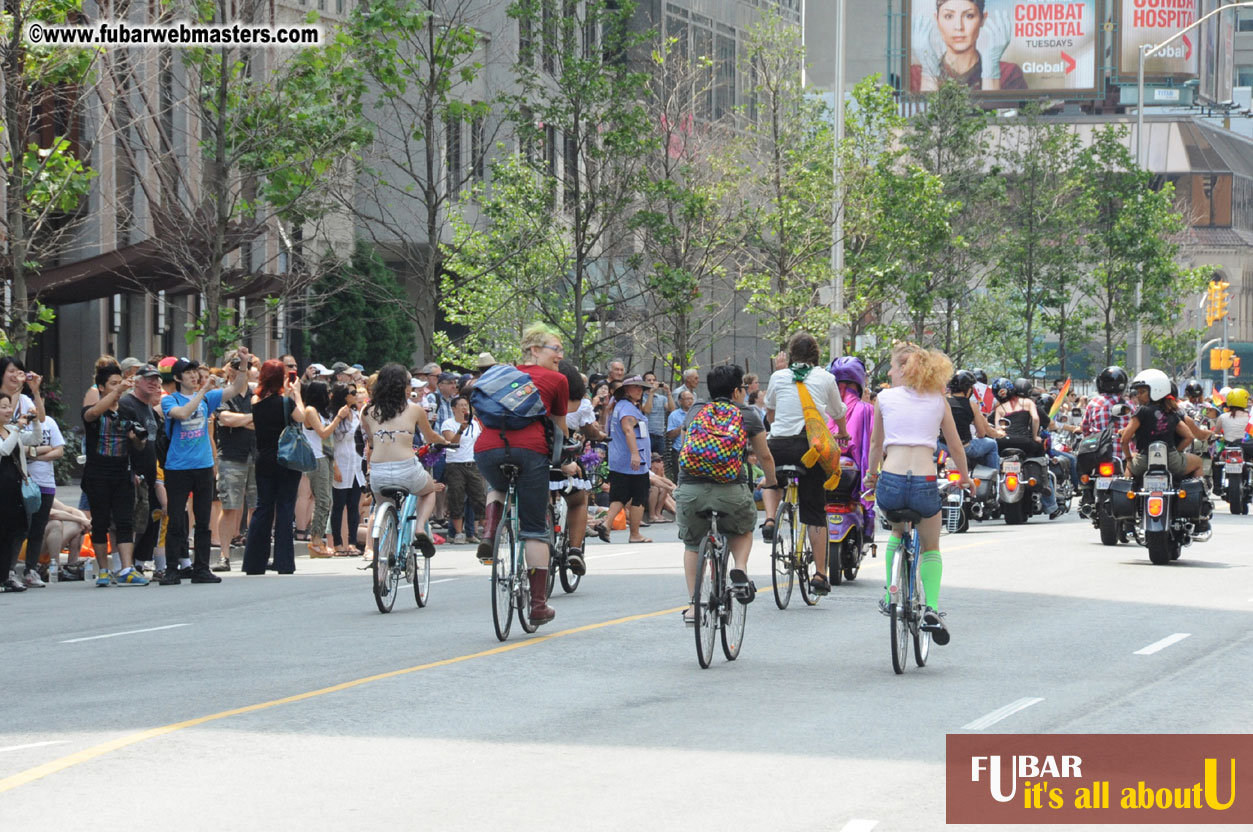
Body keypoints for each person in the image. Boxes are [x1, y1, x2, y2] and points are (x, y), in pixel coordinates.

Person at [864, 343, 970, 646]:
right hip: (924, 482)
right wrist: (964, 478)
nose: (890, 373)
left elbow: (875, 445)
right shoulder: (939, 401)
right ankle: (932, 609)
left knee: (897, 532)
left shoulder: (883, 398)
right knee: (931, 546)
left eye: (893, 368)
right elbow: (956, 446)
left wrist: (873, 476)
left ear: (903, 370)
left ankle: (890, 591)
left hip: (892, 482)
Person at [474, 325, 570, 625]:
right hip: (531, 453)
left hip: (487, 448)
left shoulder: (498, 376)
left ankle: (490, 531)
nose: (560, 355)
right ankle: (538, 605)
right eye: (555, 349)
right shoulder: (557, 380)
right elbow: (559, 427)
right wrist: (566, 457)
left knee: (497, 483)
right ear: (534, 350)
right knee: (533, 529)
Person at [675, 364, 776, 624]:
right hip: (731, 490)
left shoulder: (695, 411)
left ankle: (694, 606)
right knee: (742, 529)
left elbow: (684, 452)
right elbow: (764, 455)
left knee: (692, 543)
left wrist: (682, 485)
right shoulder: (749, 414)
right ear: (736, 391)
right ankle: (740, 568)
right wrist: (772, 482)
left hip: (691, 489)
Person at [760, 332, 850, 595]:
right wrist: (842, 432)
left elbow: (770, 411)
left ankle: (768, 519)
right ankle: (820, 574)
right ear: (816, 354)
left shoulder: (778, 376)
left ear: (789, 355)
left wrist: (778, 426)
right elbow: (838, 413)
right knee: (814, 510)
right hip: (809, 449)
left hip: (778, 445)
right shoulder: (826, 378)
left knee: (772, 479)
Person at [160, 350, 250, 585]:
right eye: (187, 373)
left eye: (194, 372)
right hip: (177, 467)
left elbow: (236, 388)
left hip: (203, 466)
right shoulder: (170, 399)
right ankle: (172, 568)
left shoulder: (207, 399)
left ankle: (201, 567)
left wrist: (242, 365)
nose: (193, 376)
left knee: (203, 518)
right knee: (177, 518)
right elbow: (181, 414)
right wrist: (203, 391)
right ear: (178, 378)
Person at [362, 364, 448, 559]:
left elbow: (372, 440)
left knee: (384, 503)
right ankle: (420, 528)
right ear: (404, 386)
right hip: (406, 468)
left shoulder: (368, 411)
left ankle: (387, 548)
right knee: (428, 490)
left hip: (378, 471)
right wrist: (444, 442)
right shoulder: (415, 410)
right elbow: (430, 435)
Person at [81, 363, 150, 586]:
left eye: (119, 383)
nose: (118, 387)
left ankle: (126, 568)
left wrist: (137, 439)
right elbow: (92, 414)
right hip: (97, 474)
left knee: (124, 522)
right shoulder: (92, 410)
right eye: (112, 384)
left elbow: (140, 446)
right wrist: (118, 391)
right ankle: (103, 570)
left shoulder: (127, 412)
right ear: (101, 387)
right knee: (99, 522)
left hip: (122, 474)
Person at [242, 360, 307, 575]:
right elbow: (303, 417)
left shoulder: (255, 400)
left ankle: (253, 562)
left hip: (264, 457)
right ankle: (284, 562)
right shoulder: (285, 402)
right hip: (286, 459)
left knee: (264, 507)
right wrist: (296, 393)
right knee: (285, 506)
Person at [910, 0, 1026, 92]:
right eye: (949, 16)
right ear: (937, 20)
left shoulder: (1008, 73)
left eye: (969, 16)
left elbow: (996, 120)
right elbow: (924, 119)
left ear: (982, 19)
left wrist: (991, 73)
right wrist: (928, 72)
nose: (959, 27)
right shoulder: (914, 75)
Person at [117, 365, 166, 575]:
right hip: (133, 472)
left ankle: (140, 561)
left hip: (152, 473)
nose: (153, 383)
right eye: (148, 379)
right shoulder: (127, 404)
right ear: (136, 381)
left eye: (156, 379)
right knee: (134, 520)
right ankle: (124, 566)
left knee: (150, 518)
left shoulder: (149, 409)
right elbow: (125, 439)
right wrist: (132, 471)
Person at [212, 357, 257, 571]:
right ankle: (224, 554)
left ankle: (256, 551)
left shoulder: (256, 394)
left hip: (256, 454)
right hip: (231, 455)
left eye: (245, 367)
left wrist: (241, 420)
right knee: (229, 505)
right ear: (229, 369)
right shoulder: (222, 395)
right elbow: (225, 419)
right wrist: (250, 418)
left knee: (257, 506)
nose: (242, 370)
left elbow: (262, 422)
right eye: (238, 366)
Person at [1120, 369, 1202, 480]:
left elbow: (1124, 440)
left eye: (1142, 392)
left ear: (1156, 390)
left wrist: (1129, 458)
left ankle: (1127, 494)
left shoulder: (1142, 411)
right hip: (1172, 461)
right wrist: (1176, 452)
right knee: (1198, 462)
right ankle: (1201, 496)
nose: (1138, 396)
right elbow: (1189, 437)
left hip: (1144, 461)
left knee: (1129, 467)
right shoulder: (1171, 411)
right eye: (1137, 392)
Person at [829, 356, 879, 536]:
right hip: (854, 475)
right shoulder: (866, 409)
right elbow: (868, 448)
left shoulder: (823, 407)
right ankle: (867, 518)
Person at [1, 392, 43, 591]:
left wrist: (34, 422)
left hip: (16, 489)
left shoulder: (11, 429)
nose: (8, 411)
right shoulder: (13, 430)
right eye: (3, 407)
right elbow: (4, 450)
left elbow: (36, 439)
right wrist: (17, 428)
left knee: (16, 531)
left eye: (9, 406)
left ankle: (7, 574)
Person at [18, 412, 66, 586]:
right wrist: (39, 450)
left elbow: (58, 449)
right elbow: (15, 448)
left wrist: (35, 454)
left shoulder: (49, 422)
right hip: (23, 481)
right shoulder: (14, 425)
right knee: (20, 528)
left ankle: (31, 570)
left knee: (38, 528)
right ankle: (7, 570)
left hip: (46, 483)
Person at [604, 375, 653, 544]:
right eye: (635, 387)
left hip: (620, 459)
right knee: (639, 495)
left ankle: (606, 524)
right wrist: (635, 454)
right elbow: (628, 430)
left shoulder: (619, 406)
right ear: (626, 390)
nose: (639, 390)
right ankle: (635, 534)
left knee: (620, 496)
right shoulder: (627, 409)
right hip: (632, 461)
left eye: (641, 388)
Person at [300, 380, 343, 558]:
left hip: (325, 457)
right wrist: (339, 418)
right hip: (315, 459)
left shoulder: (323, 413)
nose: (330, 395)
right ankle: (315, 539)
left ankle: (318, 538)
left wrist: (334, 463)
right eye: (326, 392)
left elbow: (327, 440)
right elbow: (323, 433)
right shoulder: (310, 410)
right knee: (323, 499)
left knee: (327, 500)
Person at [440, 395, 486, 545]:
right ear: (453, 409)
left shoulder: (475, 423)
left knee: (478, 497)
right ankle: (458, 533)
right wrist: (460, 430)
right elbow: (451, 442)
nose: (464, 408)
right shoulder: (448, 424)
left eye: (466, 405)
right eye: (461, 405)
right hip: (455, 465)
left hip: (472, 463)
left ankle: (473, 531)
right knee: (457, 498)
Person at [329, 382, 366, 556]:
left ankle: (352, 542)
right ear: (343, 395)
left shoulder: (355, 413)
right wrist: (334, 466)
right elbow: (328, 441)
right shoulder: (333, 414)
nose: (355, 395)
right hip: (341, 461)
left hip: (355, 464)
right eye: (352, 392)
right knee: (338, 505)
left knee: (353, 506)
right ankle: (337, 543)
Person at [942, 369, 1001, 472]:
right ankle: (991, 477)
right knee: (992, 444)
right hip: (965, 447)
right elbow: (982, 433)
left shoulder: (942, 402)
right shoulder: (972, 405)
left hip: (943, 448)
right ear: (969, 390)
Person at [1082, 366, 1133, 462]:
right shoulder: (1130, 406)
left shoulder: (1093, 403)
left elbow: (1085, 430)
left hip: (1098, 456)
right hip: (1125, 457)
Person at [640, 371, 674, 463]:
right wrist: (651, 393)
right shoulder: (641, 397)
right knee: (648, 460)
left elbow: (672, 409)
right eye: (649, 380)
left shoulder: (661, 398)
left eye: (654, 380)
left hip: (660, 435)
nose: (652, 382)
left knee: (660, 461)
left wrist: (668, 393)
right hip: (647, 434)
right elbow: (647, 410)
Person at [667, 389, 694, 481]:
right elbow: (670, 435)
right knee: (678, 478)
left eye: (691, 399)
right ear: (680, 401)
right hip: (679, 450)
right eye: (687, 399)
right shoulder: (674, 415)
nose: (690, 401)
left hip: (693, 451)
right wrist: (683, 426)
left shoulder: (697, 414)